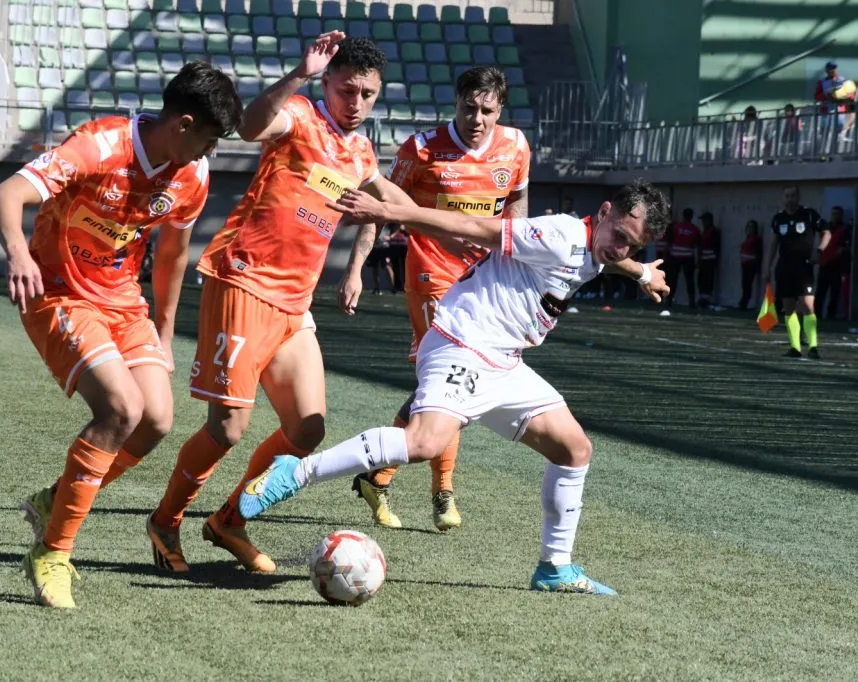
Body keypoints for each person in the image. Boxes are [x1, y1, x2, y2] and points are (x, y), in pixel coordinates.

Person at [238, 180, 671, 596]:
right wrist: (386, 211)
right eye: (620, 236)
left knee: (574, 450)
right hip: (463, 344)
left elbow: (606, 256)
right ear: (605, 212)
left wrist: (640, 273)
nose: (621, 248)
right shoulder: (560, 235)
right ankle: (295, 472)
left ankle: (555, 569)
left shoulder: (597, 244)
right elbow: (471, 227)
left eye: (633, 246)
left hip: (504, 362)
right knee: (423, 442)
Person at [147, 35, 416, 576]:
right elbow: (249, 128)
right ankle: (165, 521)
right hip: (244, 282)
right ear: (327, 82)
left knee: (307, 428)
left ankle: (229, 520)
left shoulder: (361, 151)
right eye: (347, 89)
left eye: (367, 94)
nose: (356, 102)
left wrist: (461, 233)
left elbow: (389, 200)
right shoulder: (298, 116)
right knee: (227, 428)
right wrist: (298, 74)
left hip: (295, 304)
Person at [0, 61, 242, 608]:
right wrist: (17, 255)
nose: (211, 152)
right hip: (59, 293)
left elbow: (172, 254)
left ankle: (56, 500)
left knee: (156, 420)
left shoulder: (192, 177)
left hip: (124, 303)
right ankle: (51, 552)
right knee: (121, 409)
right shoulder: (99, 146)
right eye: (209, 139)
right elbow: (5, 195)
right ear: (183, 123)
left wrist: (165, 329)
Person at [341, 65, 531, 531]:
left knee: (455, 385)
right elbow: (381, 206)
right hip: (433, 276)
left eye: (487, 110)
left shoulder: (516, 146)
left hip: (486, 281)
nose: (477, 119)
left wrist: (519, 265)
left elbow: (516, 205)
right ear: (456, 103)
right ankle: (442, 491)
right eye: (469, 107)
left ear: (500, 110)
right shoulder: (422, 149)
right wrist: (356, 268)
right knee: (454, 380)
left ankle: (377, 476)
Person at [763, 186, 830, 359]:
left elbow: (827, 233)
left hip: (804, 266)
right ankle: (795, 347)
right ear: (783, 198)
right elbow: (773, 244)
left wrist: (819, 251)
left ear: (798, 197)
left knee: (808, 305)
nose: (790, 199)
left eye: (793, 195)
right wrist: (767, 267)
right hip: (784, 267)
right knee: (788, 308)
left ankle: (813, 347)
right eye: (787, 196)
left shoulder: (809, 214)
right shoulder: (778, 218)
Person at [815, 206, 852, 320]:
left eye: (837, 214)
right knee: (820, 292)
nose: (835, 216)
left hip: (836, 266)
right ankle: (817, 314)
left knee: (834, 293)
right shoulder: (826, 227)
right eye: (834, 214)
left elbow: (842, 249)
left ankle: (831, 315)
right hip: (824, 265)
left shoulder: (844, 229)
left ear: (841, 216)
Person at [662, 207, 700, 315]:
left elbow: (669, 241)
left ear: (683, 216)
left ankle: (669, 300)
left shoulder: (676, 227)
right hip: (688, 257)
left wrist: (666, 255)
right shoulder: (694, 229)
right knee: (689, 280)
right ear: (691, 216)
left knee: (673, 279)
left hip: (675, 256)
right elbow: (697, 245)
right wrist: (697, 259)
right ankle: (691, 302)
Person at [697, 212, 721, 308]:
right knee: (701, 279)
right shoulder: (704, 231)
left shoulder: (714, 231)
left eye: (704, 220)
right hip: (703, 259)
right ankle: (702, 297)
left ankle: (707, 299)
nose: (703, 222)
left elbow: (716, 247)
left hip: (710, 260)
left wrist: (715, 259)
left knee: (708, 280)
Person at [738, 219, 762, 310]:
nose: (750, 229)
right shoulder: (748, 238)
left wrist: (757, 266)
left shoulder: (756, 239)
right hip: (745, 265)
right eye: (749, 227)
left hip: (751, 265)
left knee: (748, 284)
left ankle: (744, 302)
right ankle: (743, 300)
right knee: (744, 284)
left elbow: (758, 253)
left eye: (752, 227)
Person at [365, 225, 394, 295]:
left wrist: (391, 236)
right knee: (375, 267)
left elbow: (399, 226)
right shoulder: (372, 221)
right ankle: (377, 288)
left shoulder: (388, 221)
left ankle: (393, 288)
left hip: (384, 247)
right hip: (374, 247)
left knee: (387, 266)